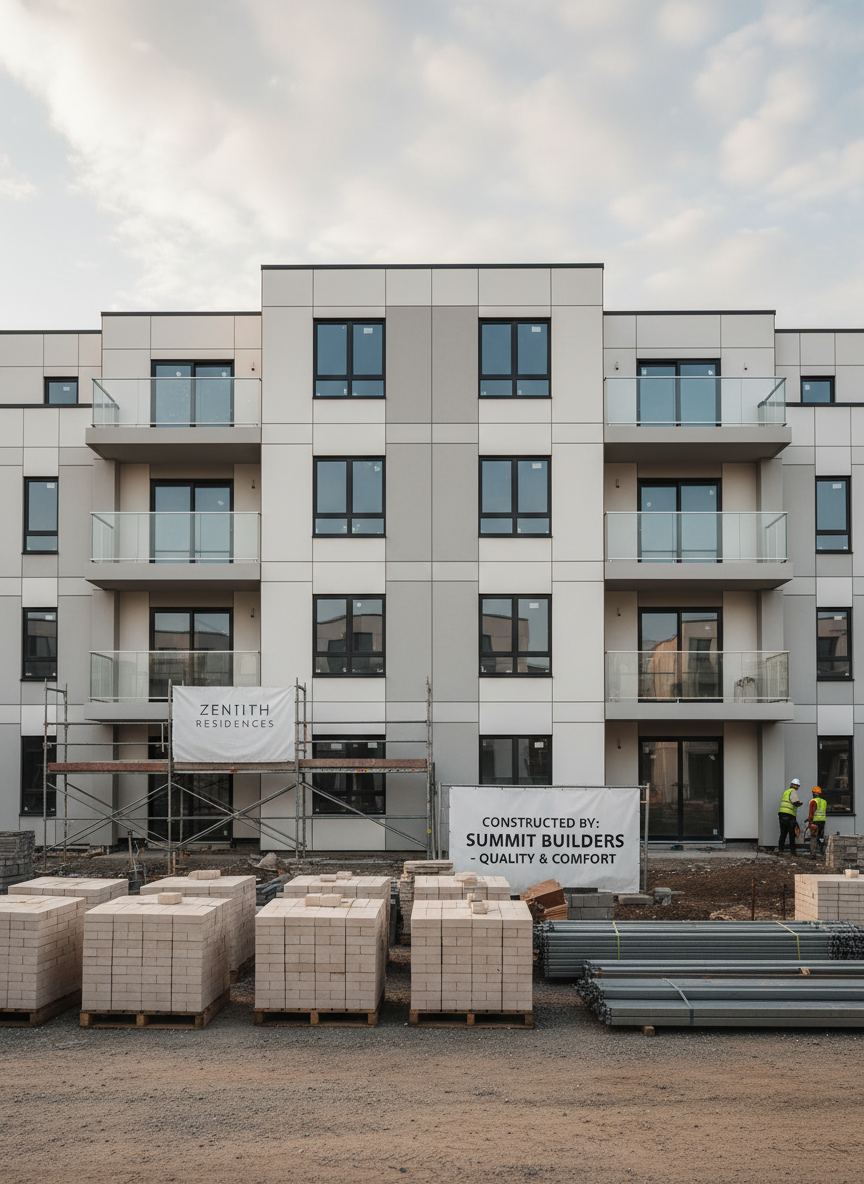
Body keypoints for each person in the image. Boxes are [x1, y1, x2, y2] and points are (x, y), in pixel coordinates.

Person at [777, 778, 802, 856]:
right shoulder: (793, 792)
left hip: (782, 814)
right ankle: (793, 852)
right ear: (794, 786)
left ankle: (780, 849)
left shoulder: (786, 792)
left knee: (783, 833)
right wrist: (800, 803)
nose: (797, 787)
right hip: (789, 815)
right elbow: (795, 802)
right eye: (797, 786)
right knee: (792, 833)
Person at [806, 786, 827, 860]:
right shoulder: (824, 802)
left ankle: (813, 855)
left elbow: (811, 813)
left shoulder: (813, 801)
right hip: (822, 821)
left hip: (815, 821)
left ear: (813, 794)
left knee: (813, 838)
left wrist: (809, 821)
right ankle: (823, 853)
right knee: (821, 837)